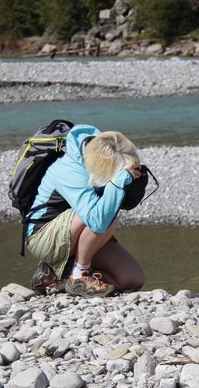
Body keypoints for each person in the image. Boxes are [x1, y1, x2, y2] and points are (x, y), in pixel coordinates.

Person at [24, 124, 145, 297]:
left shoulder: (99, 155)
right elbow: (97, 219)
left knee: (132, 279)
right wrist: (119, 180)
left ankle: (58, 274)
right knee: (105, 213)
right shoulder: (67, 169)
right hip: (42, 237)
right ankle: (79, 276)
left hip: (81, 231)